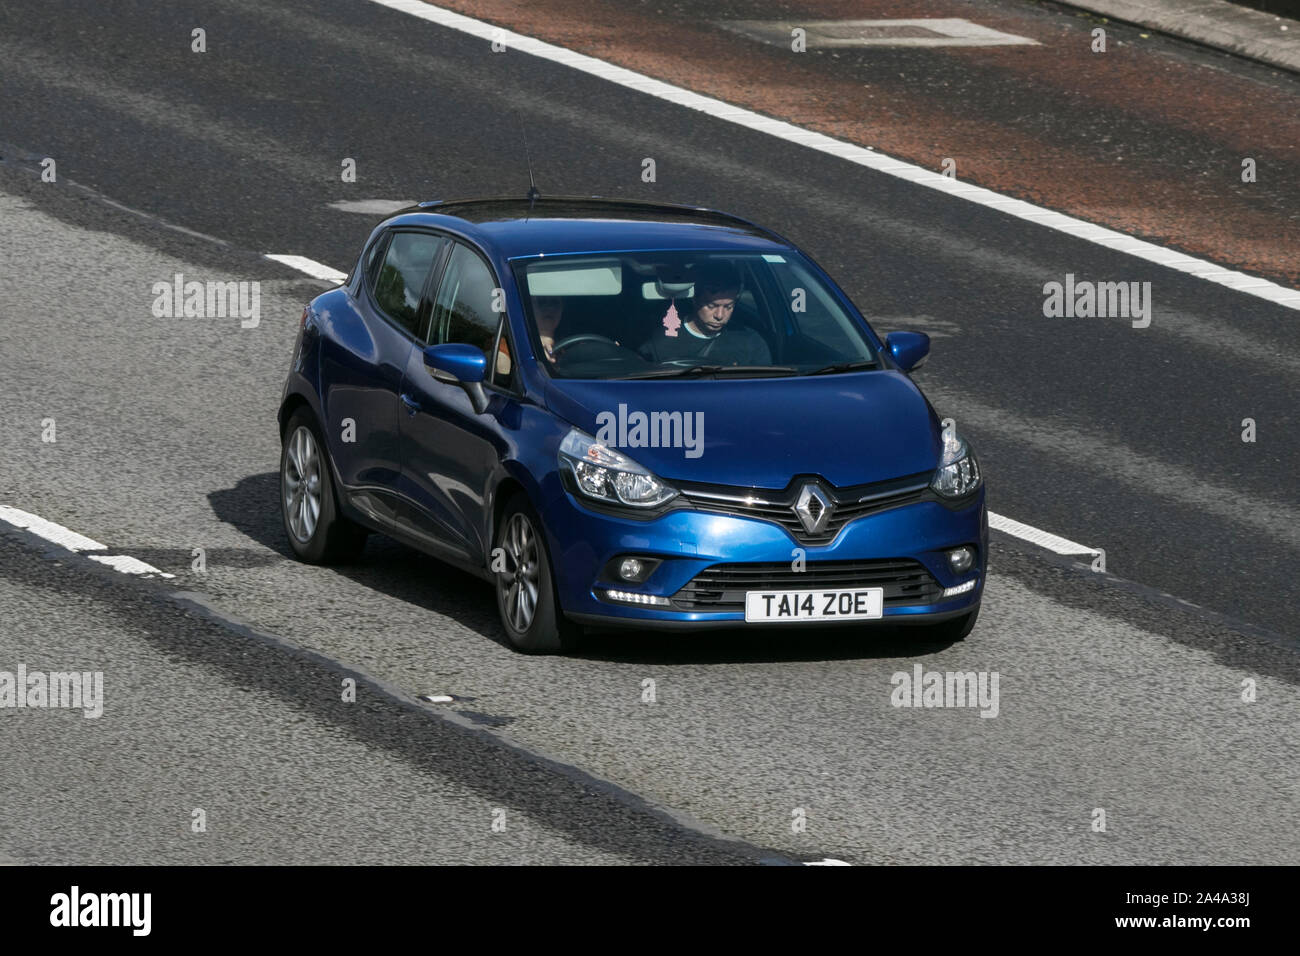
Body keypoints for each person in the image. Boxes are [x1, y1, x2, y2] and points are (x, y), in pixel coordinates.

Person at [637, 263, 770, 366]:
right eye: (711, 306)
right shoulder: (658, 342)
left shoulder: (751, 342)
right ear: (695, 300)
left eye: (728, 307)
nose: (719, 315)